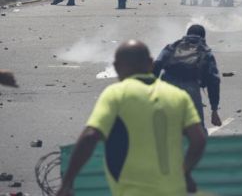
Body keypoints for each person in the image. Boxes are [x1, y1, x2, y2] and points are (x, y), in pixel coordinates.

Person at [56, 40, 206, 196]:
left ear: (116, 67)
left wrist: (67, 183)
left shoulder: (116, 94)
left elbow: (90, 136)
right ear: (150, 63)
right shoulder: (178, 96)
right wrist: (184, 173)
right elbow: (199, 140)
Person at [154, 24, 222, 129]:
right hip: (191, 89)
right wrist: (214, 110)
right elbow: (213, 81)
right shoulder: (205, 50)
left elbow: (156, 66)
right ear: (203, 37)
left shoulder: (172, 46)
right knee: (197, 128)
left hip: (167, 87)